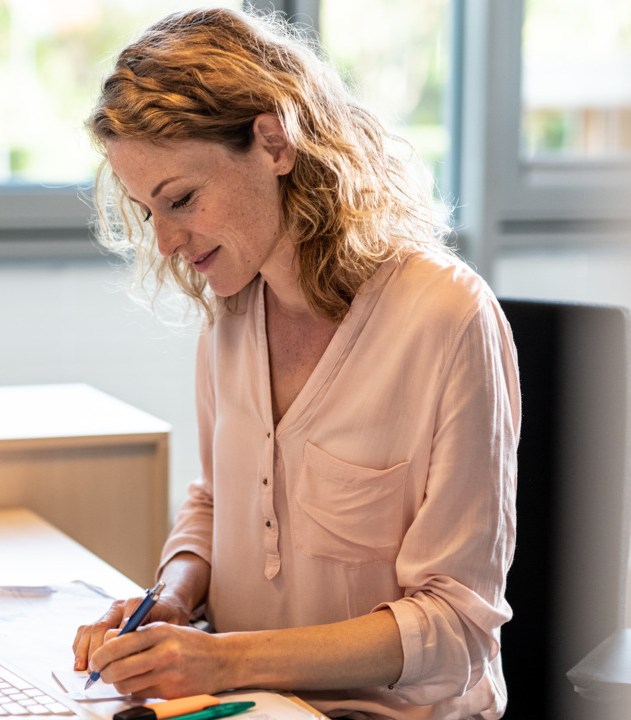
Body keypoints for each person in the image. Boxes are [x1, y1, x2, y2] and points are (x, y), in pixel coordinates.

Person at [72, 8, 520, 720]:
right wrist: (174, 598)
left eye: (182, 199)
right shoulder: (232, 319)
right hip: (249, 706)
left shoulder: (445, 318)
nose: (164, 242)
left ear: (274, 142)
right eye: (148, 210)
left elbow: (455, 626)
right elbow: (216, 501)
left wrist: (224, 657)